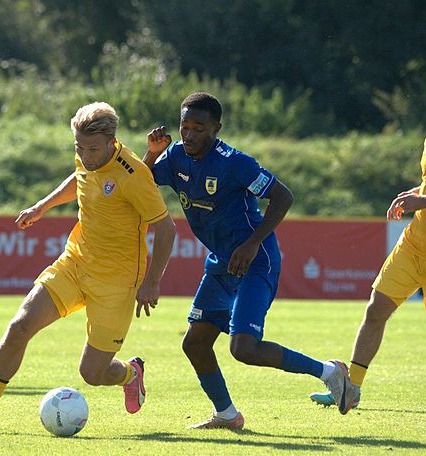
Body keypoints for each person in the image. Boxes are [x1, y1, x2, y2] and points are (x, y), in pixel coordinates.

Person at [0, 102, 177, 433]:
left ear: (112, 141)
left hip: (116, 282)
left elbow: (167, 229)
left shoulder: (134, 175)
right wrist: (42, 206)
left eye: (93, 149)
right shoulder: (86, 155)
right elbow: (80, 177)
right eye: (79, 147)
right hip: (75, 262)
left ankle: (130, 373)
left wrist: (152, 282)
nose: (85, 155)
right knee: (20, 326)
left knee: (92, 373)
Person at [142, 91, 354, 430]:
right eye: (185, 127)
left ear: (216, 129)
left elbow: (283, 196)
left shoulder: (234, 163)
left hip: (255, 261)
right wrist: (152, 154)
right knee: (195, 343)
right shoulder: (176, 156)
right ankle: (227, 415)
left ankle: (330, 372)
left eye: (199, 128)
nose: (190, 135)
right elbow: (141, 183)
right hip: (221, 264)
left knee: (243, 348)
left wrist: (253, 243)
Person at [310, 66, 426, 411]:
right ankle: (351, 388)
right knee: (375, 309)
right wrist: (414, 194)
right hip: (414, 244)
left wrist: (422, 201)